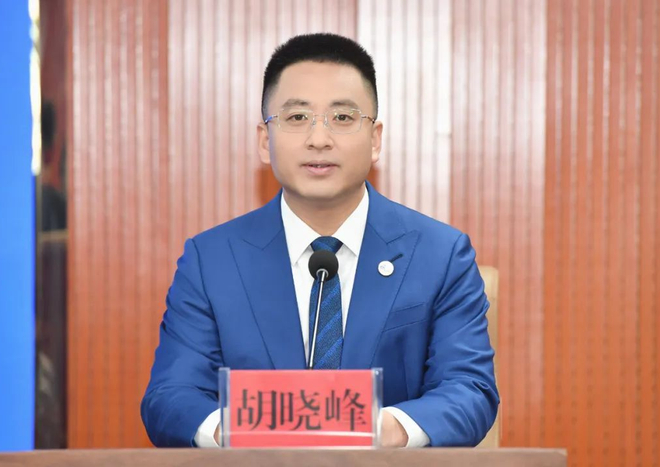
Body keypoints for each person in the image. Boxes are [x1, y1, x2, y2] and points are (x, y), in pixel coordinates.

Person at [141, 33, 498, 448]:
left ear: (375, 139)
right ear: (265, 141)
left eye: (342, 118)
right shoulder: (212, 260)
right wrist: (245, 432)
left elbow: (469, 390)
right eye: (297, 117)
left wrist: (373, 429)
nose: (319, 139)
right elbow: (171, 397)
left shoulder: (440, 255)